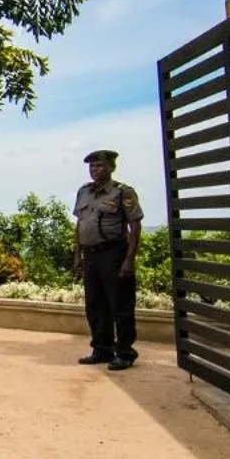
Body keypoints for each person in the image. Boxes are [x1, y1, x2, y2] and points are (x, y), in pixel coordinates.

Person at [73, 149, 142, 371]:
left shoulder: (123, 192)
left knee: (120, 305)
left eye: (100, 166)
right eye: (92, 166)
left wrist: (129, 260)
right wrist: (78, 254)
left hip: (114, 253)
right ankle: (102, 349)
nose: (95, 170)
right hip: (91, 255)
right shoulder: (83, 192)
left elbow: (135, 226)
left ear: (111, 167)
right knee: (95, 305)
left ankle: (125, 352)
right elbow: (80, 223)